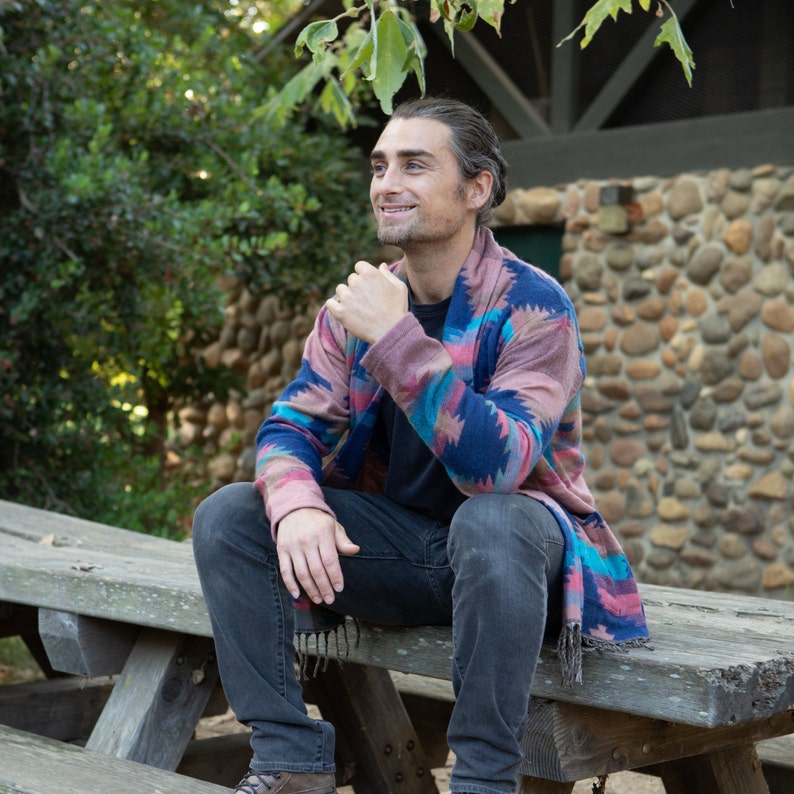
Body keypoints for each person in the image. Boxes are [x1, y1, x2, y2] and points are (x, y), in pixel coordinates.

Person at [192, 97, 649, 794]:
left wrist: (398, 340)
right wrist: (298, 508)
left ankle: (484, 782)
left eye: (414, 164)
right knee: (230, 516)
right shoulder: (354, 310)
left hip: (516, 564)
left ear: (476, 189)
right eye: (379, 165)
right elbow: (290, 426)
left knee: (491, 520)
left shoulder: (533, 306)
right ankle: (290, 760)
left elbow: (499, 467)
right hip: (405, 553)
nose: (386, 182)